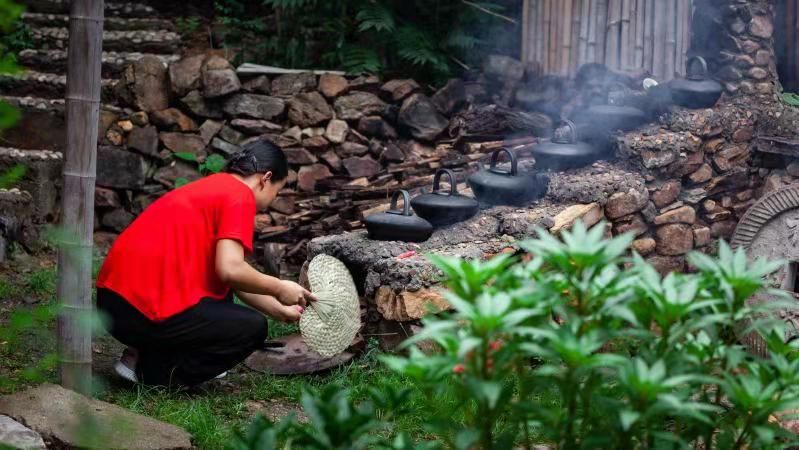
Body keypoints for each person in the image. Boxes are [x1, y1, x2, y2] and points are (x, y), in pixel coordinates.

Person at [95, 139, 315, 386]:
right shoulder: (240, 195)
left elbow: (231, 279)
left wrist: (277, 309)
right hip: (140, 310)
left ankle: (144, 351)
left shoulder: (214, 187)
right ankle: (151, 370)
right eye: (277, 191)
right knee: (250, 328)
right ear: (265, 178)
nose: (273, 199)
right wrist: (279, 287)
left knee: (222, 299)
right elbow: (231, 270)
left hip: (113, 303)